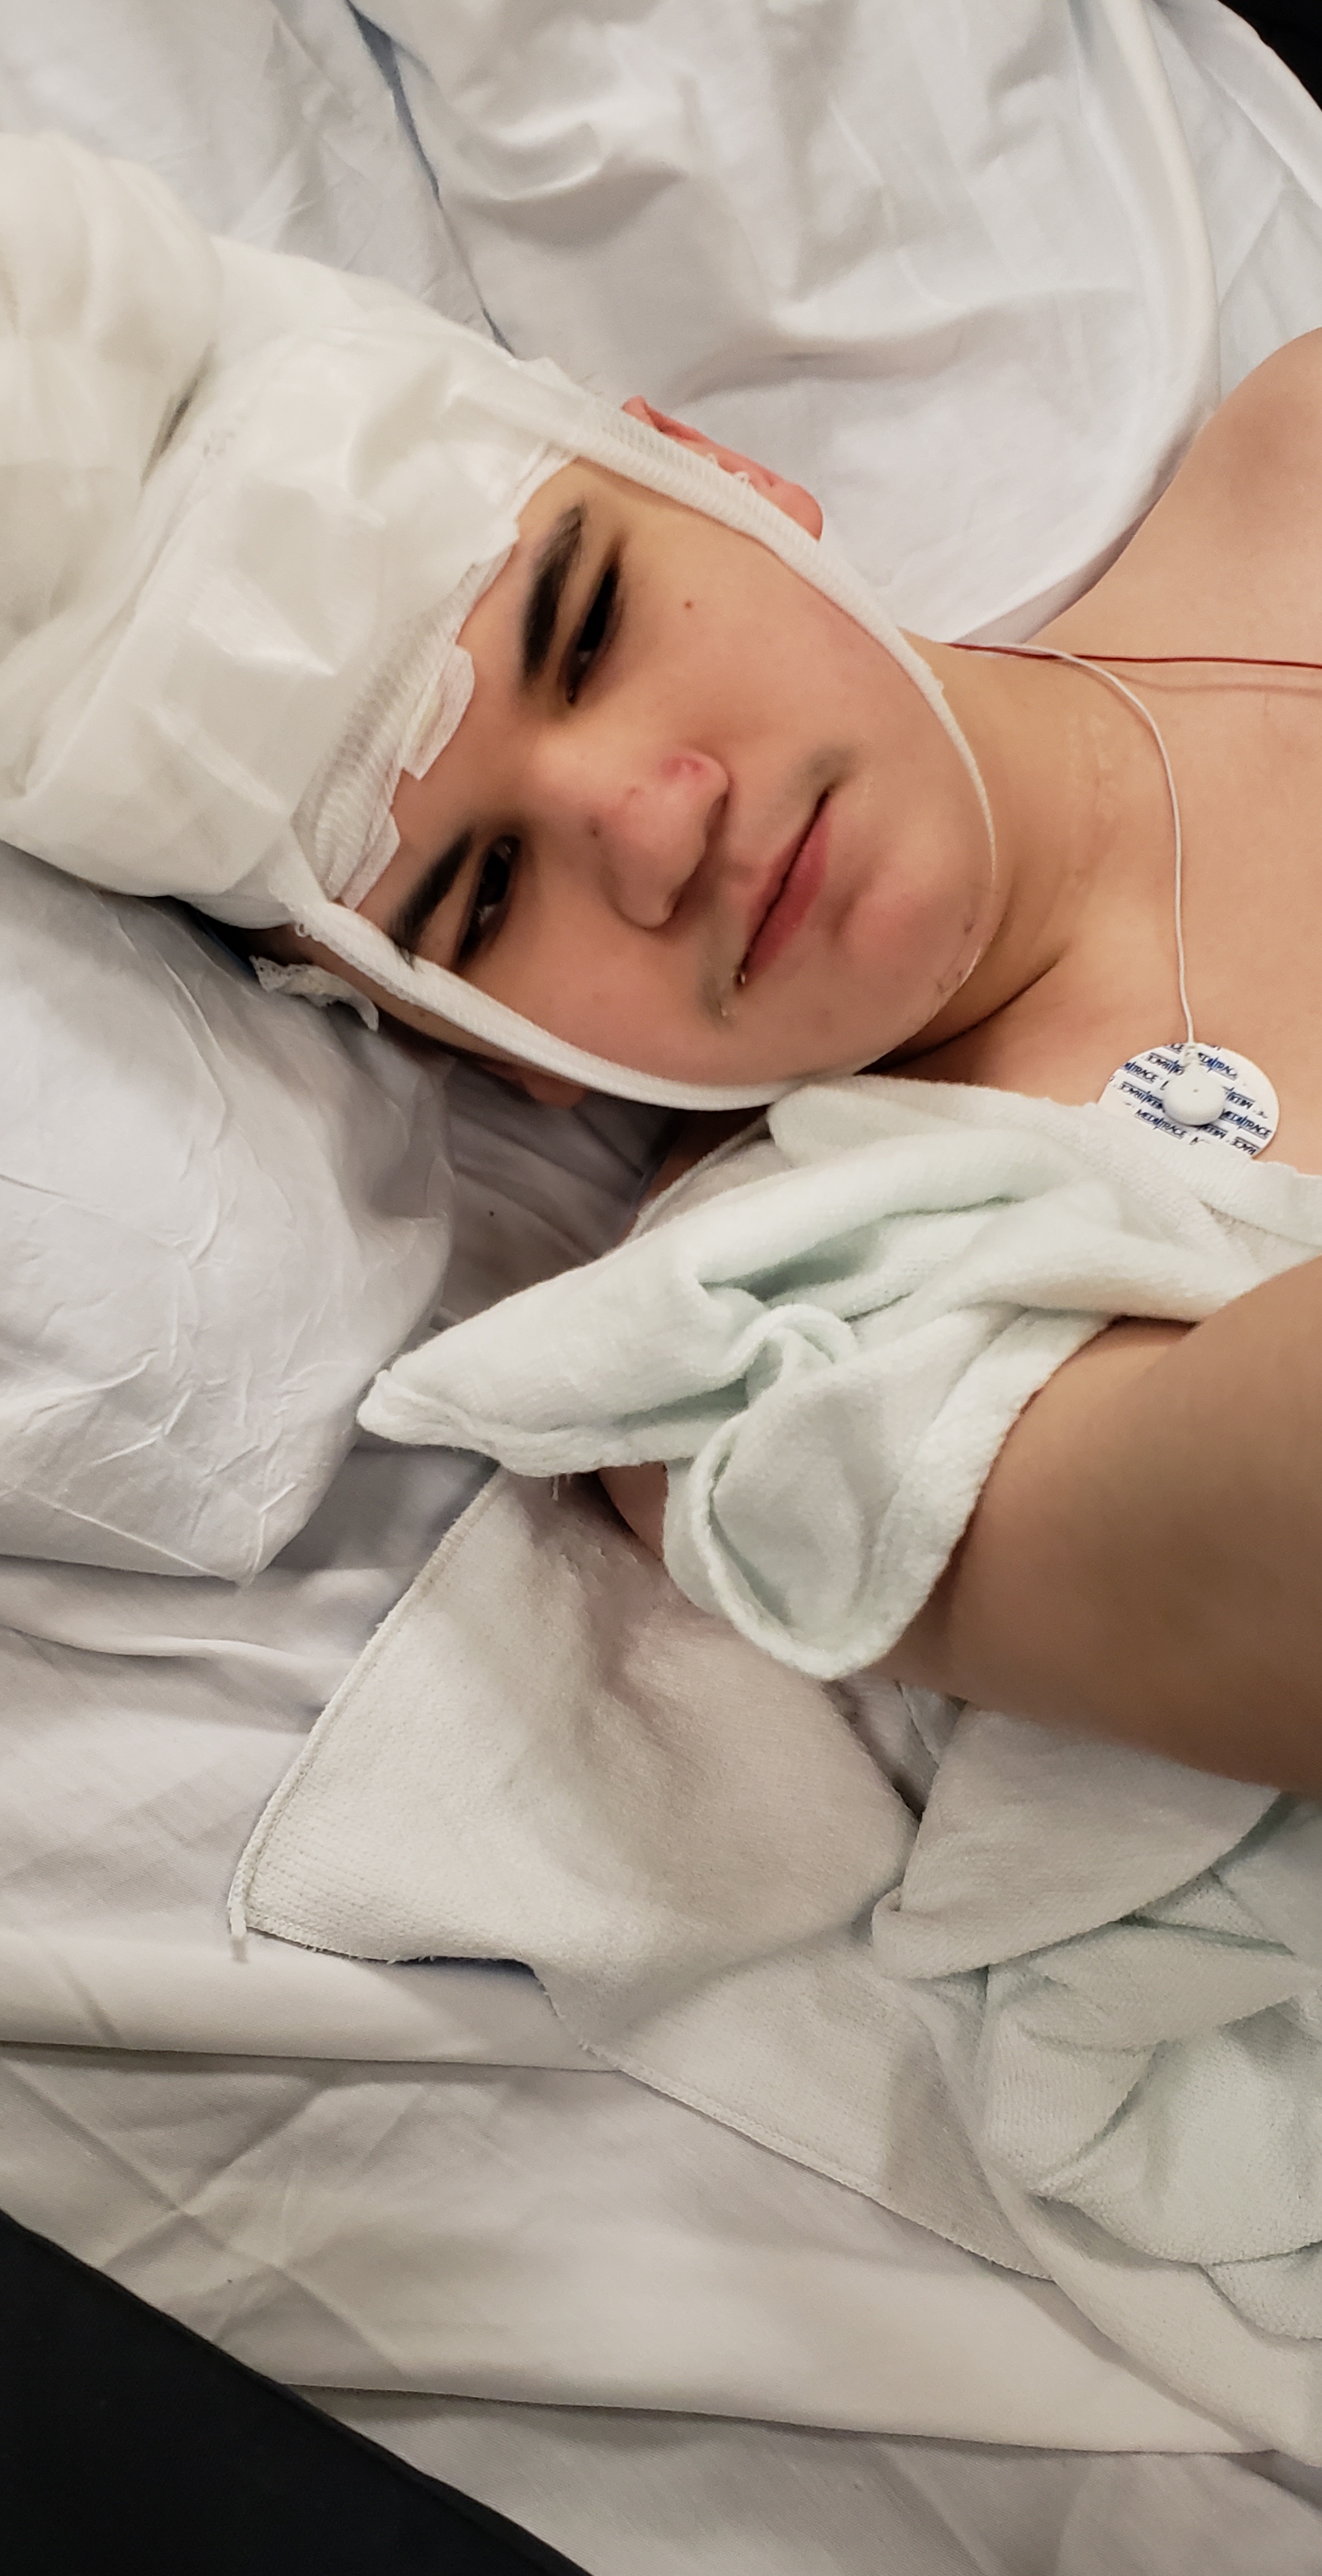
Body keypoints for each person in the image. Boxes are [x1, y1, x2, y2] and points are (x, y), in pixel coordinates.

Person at [4, 129, 1321, 1790]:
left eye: (587, 629)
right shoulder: (780, 1346)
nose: (650, 825)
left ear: (726, 475)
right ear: (493, 1053)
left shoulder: (1302, 455)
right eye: (484, 896)